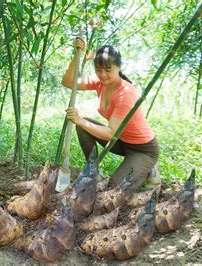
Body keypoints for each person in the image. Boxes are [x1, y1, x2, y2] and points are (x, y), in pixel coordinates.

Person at [61, 36, 160, 190]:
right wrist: (78, 54)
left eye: (108, 70)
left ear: (118, 67)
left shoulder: (126, 93)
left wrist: (79, 120)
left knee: (113, 190)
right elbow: (68, 82)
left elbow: (110, 133)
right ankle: (93, 172)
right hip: (120, 142)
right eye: (98, 70)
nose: (102, 74)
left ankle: (148, 168)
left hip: (143, 149)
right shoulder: (99, 82)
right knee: (84, 126)